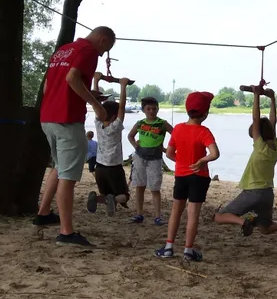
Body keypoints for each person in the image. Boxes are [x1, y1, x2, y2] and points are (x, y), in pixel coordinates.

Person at [35, 27, 116, 246]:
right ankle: (67, 232)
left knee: (59, 167)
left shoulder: (64, 49)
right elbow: (72, 78)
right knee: (68, 177)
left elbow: (50, 86)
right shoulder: (88, 51)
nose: (101, 55)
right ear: (102, 39)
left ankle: (42, 214)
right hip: (67, 119)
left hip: (48, 117)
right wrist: (96, 104)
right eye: (104, 50)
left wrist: (86, 94)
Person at [214, 86, 277, 236]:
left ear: (257, 133)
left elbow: (256, 118)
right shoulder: (275, 147)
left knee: (219, 217)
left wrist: (257, 96)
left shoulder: (260, 147)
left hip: (253, 191)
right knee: (265, 228)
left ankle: (243, 222)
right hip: (267, 193)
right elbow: (273, 121)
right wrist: (272, 99)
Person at [155, 92, 219, 262]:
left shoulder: (178, 129)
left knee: (176, 211)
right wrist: (201, 161)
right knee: (193, 214)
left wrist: (181, 161)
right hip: (199, 177)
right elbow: (214, 153)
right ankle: (188, 250)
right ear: (205, 113)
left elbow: (169, 153)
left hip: (181, 175)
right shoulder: (204, 131)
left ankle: (168, 247)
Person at [87, 74, 131, 217]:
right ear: (114, 117)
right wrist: (123, 86)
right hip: (114, 168)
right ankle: (112, 200)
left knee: (106, 194)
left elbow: (95, 102)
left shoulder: (98, 124)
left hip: (99, 168)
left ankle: (100, 198)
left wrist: (96, 80)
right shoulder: (115, 127)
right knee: (124, 195)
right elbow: (122, 107)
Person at [127, 97, 173, 225]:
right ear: (143, 110)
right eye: (148, 109)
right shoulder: (140, 123)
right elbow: (130, 135)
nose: (151, 111)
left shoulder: (162, 123)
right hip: (140, 157)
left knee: (155, 188)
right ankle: (138, 214)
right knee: (139, 186)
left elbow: (176, 135)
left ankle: (158, 216)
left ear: (158, 109)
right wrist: (135, 146)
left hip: (155, 159)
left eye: (154, 108)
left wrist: (165, 149)